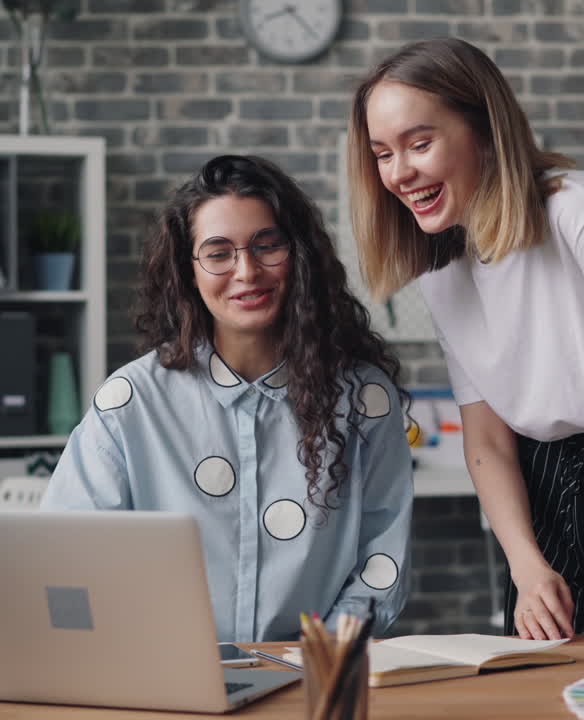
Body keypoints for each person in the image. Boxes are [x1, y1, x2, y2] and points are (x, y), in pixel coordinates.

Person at [348, 37, 584, 639]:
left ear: (483, 128)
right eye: (382, 154)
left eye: (420, 144)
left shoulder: (582, 213)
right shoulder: (442, 267)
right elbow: (487, 441)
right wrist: (526, 566)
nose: (400, 173)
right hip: (541, 478)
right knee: (541, 673)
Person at [42, 155, 413, 642]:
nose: (247, 271)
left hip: (312, 678)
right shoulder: (131, 402)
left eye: (267, 245)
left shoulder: (365, 400)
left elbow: (381, 561)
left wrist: (321, 654)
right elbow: (68, 555)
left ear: (298, 254)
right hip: (164, 681)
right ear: (187, 270)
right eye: (218, 252)